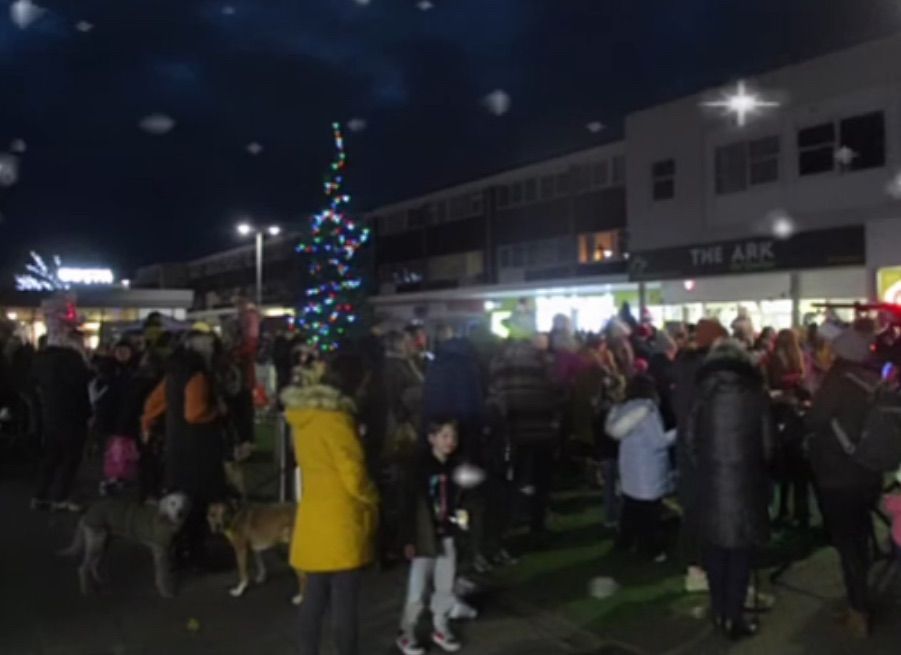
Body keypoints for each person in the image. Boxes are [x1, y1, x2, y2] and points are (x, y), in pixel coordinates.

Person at [281, 352, 379, 655]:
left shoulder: (302, 420)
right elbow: (353, 473)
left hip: (314, 516)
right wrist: (372, 496)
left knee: (314, 598)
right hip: (342, 519)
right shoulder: (336, 420)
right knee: (345, 604)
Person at [687, 340, 774, 640]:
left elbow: (690, 442)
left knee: (714, 552)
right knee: (739, 554)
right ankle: (733, 617)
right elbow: (768, 448)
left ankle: (719, 610)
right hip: (746, 485)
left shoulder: (702, 396)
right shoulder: (755, 395)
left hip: (711, 485)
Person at [807, 322, 883, 638]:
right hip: (869, 470)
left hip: (839, 474)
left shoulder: (837, 380)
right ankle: (860, 599)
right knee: (860, 536)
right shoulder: (873, 378)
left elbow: (816, 420)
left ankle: (858, 610)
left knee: (847, 542)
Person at [142, 326, 227, 566]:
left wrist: (148, 424)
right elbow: (194, 413)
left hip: (176, 445)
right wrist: (216, 412)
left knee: (178, 501)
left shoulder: (174, 370)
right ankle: (196, 554)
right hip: (198, 448)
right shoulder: (197, 373)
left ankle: (174, 550)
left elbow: (154, 402)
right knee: (197, 504)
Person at [396, 419, 465, 655]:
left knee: (445, 585)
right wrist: (408, 539)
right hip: (424, 536)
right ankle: (407, 632)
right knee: (417, 589)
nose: (450, 442)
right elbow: (407, 505)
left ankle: (441, 625)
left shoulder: (455, 466)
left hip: (447, 535)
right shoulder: (419, 468)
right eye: (444, 436)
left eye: (453, 437)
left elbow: (461, 500)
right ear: (431, 438)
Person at [671, 318, 728, 592]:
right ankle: (698, 568)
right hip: (703, 451)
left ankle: (694, 566)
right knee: (702, 513)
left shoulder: (685, 368)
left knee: (694, 511)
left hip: (690, 449)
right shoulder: (705, 372)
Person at [489, 332, 559, 546]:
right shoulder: (542, 361)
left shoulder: (498, 363)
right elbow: (554, 392)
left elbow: (495, 395)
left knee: (515, 478)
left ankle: (512, 521)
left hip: (513, 430)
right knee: (540, 480)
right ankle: (537, 523)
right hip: (540, 429)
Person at [606, 374, 675, 560]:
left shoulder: (624, 407)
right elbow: (658, 442)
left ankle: (624, 542)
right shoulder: (648, 410)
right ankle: (651, 549)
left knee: (631, 508)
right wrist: (678, 433)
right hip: (647, 470)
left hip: (630, 469)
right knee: (650, 513)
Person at [31, 328, 92, 512]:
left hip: (50, 414)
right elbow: (81, 383)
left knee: (51, 456)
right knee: (70, 458)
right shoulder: (71, 359)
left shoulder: (41, 358)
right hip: (72, 414)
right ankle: (61, 496)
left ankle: (40, 495)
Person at [767, 329, 811, 527]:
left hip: (782, 416)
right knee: (799, 473)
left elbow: (774, 383)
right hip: (796, 417)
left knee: (785, 471)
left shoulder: (776, 359)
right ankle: (801, 514)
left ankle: (784, 510)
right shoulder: (799, 358)